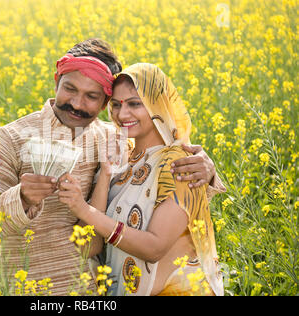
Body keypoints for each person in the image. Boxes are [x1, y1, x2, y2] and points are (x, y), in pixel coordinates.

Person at [0, 39, 225, 295]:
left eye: (91, 96)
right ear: (57, 83)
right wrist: (20, 198)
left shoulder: (116, 139)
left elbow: (160, 183)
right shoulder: (10, 138)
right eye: (69, 89)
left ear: (104, 104)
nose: (77, 103)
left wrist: (205, 170)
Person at [58, 63, 224, 296]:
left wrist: (84, 210)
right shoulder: (118, 154)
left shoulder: (180, 164)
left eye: (135, 104)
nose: (122, 114)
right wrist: (105, 176)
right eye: (116, 105)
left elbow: (154, 247)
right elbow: (88, 246)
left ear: (158, 104)